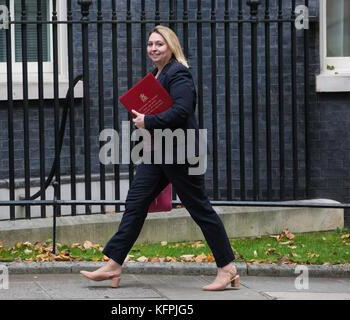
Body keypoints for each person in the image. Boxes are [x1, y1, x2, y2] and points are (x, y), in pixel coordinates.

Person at [80, 25, 239, 291]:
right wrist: (143, 118)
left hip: (181, 152)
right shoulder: (157, 74)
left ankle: (227, 268)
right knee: (136, 202)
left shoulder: (179, 73)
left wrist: (148, 120)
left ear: (171, 47)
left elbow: (181, 110)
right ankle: (114, 263)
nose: (154, 48)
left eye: (159, 44)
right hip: (159, 152)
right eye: (150, 44)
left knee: (199, 209)